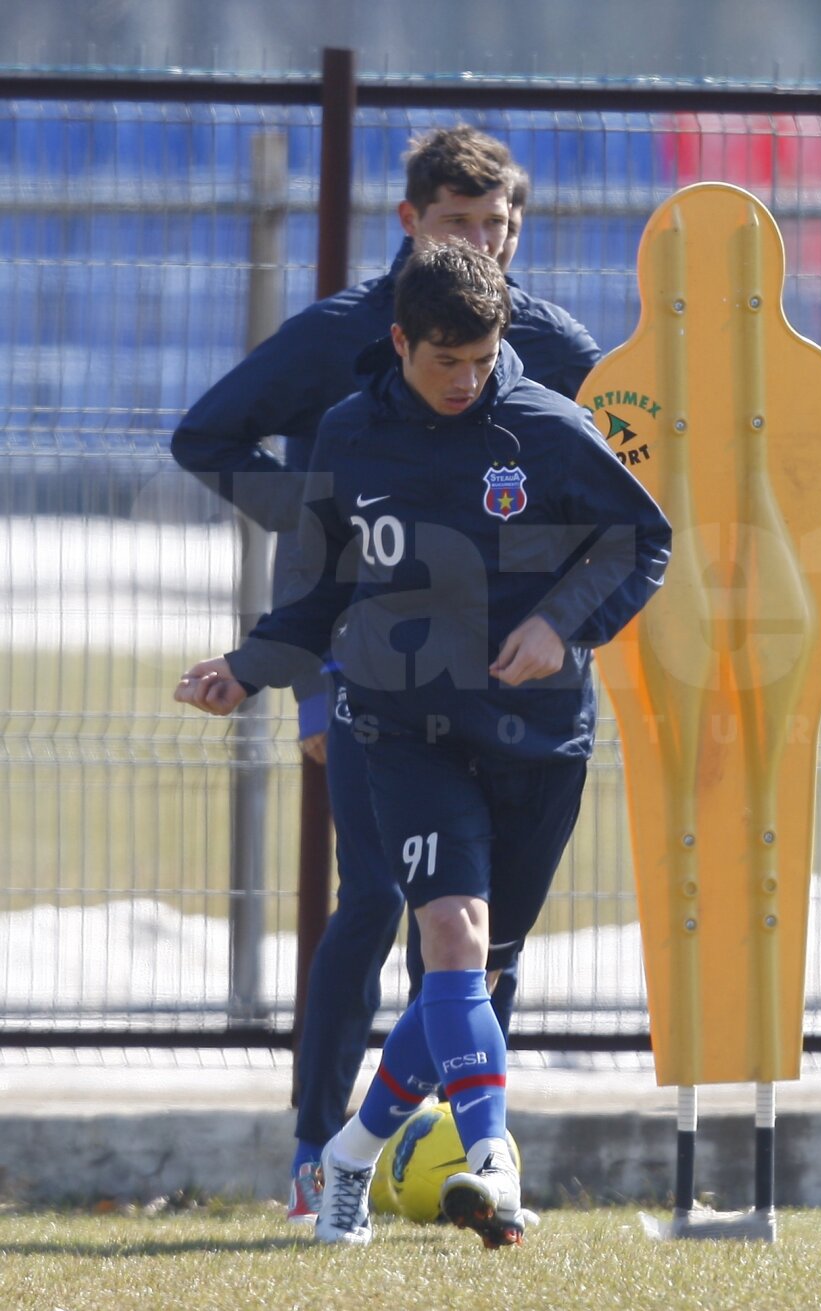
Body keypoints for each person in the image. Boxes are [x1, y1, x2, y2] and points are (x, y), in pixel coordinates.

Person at [174, 240, 671, 1248]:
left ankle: (354, 1154)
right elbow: (322, 589)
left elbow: (639, 538)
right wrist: (250, 666)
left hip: (537, 739)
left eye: (482, 361)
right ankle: (493, 1158)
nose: (467, 381)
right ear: (400, 340)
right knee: (451, 934)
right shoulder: (350, 437)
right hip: (402, 731)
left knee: (472, 977)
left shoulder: (545, 426)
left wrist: (562, 626)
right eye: (447, 361)